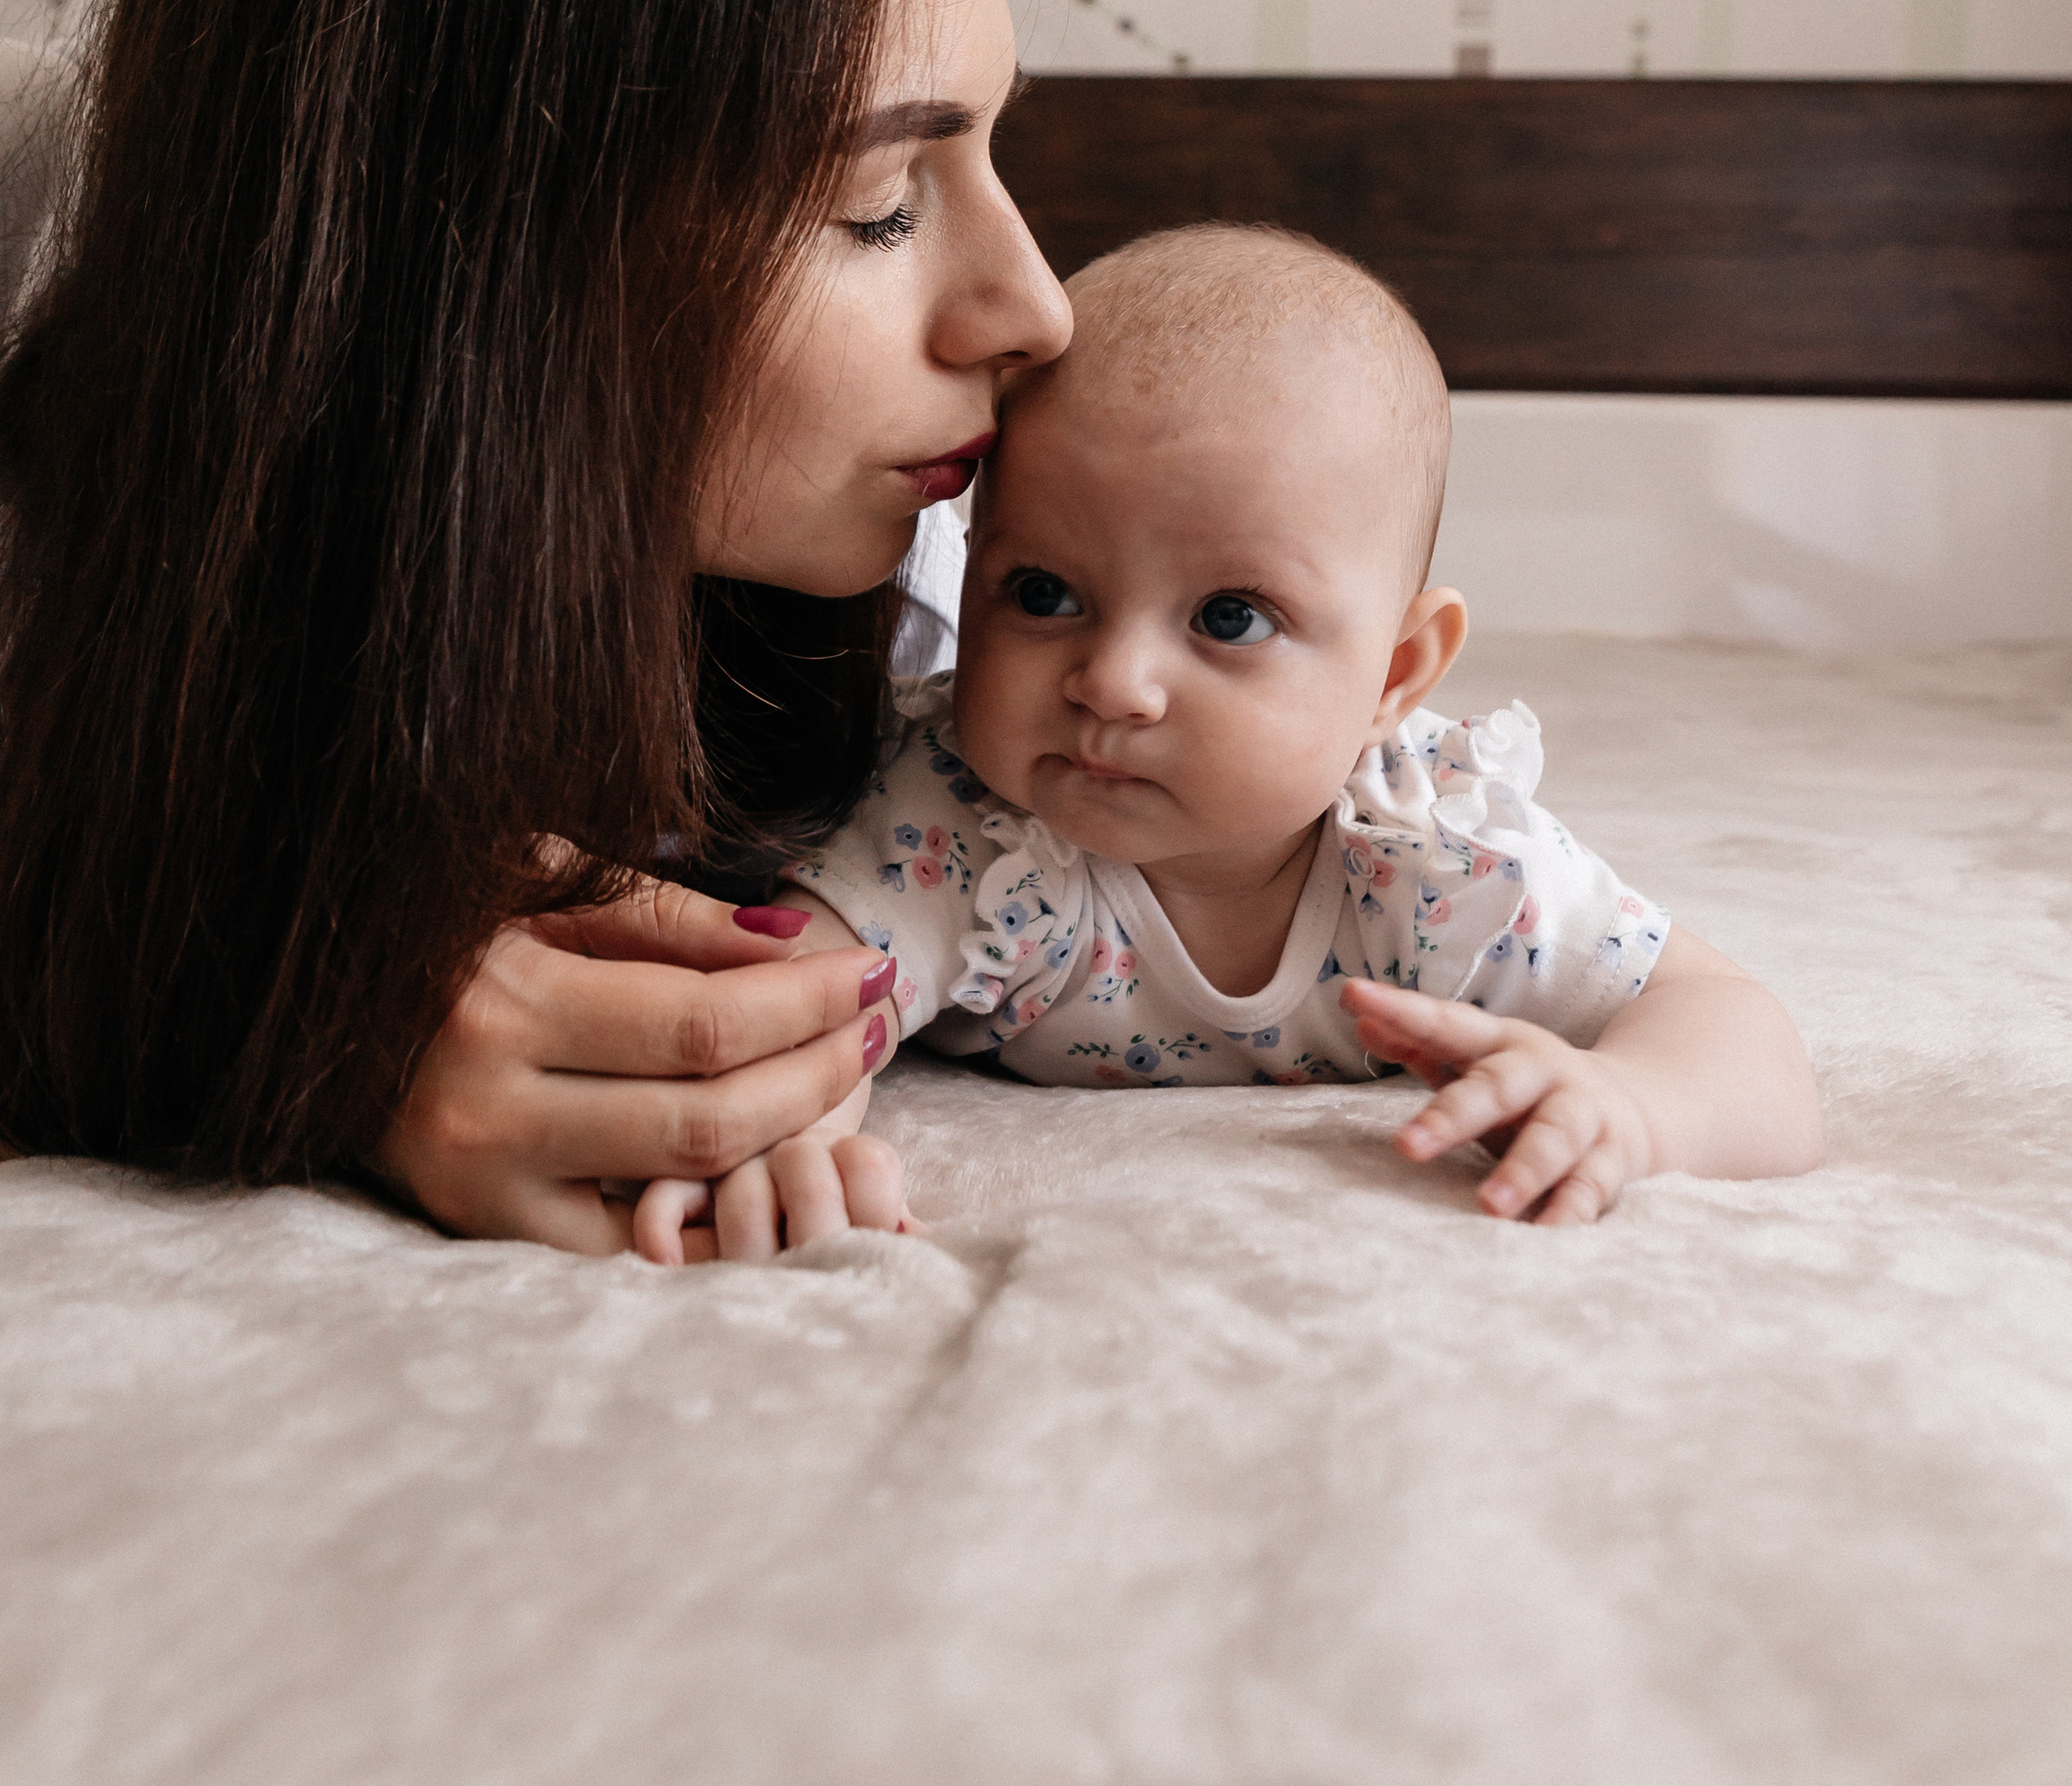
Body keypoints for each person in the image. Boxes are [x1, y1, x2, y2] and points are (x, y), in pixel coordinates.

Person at [0, 0, 1071, 1250]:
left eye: (990, 147)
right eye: (876, 204)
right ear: (484, 223)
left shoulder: (933, 533)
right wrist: (277, 1054)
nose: (1034, 308)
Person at [647, 223, 1820, 1252]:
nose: (1112, 681)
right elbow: (793, 1004)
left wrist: (1631, 1104)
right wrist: (789, 1133)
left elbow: (1739, 1031)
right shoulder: (961, 829)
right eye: (1044, 592)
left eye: (1229, 617)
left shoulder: (1439, 872)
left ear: (1394, 677)